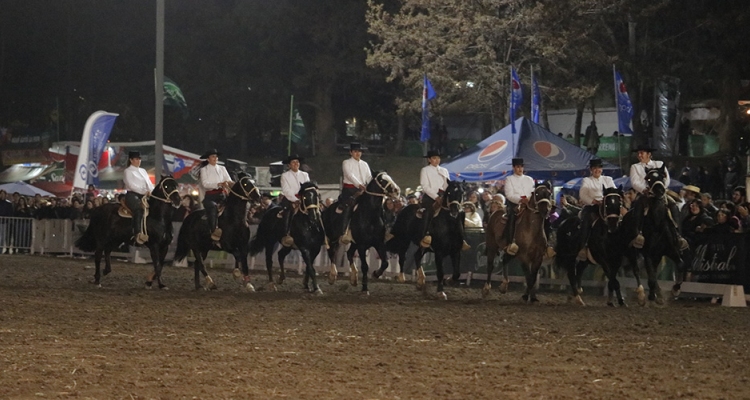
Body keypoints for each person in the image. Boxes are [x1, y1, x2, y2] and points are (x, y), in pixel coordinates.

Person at [629, 143, 688, 250]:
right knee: (637, 206)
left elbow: (667, 178)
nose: (639, 155)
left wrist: (660, 188)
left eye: (642, 153)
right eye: (638, 153)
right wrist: (645, 189)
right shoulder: (635, 167)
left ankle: (679, 235)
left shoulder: (659, 164)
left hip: (660, 192)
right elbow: (634, 182)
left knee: (673, 205)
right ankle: (638, 234)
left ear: (649, 154)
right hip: (645, 193)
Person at [419, 150, 470, 250]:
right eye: (434, 158)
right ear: (429, 160)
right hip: (430, 197)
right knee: (429, 212)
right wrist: (435, 197)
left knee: (459, 213)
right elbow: (425, 186)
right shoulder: (425, 170)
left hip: (444, 196)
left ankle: (462, 238)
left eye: (438, 158)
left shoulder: (444, 170)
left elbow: (447, 185)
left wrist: (447, 195)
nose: (436, 160)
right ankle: (426, 235)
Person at [577, 158, 616, 260]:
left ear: (602, 169)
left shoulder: (608, 179)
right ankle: (583, 246)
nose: (597, 170)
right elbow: (583, 194)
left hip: (607, 206)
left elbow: (614, 192)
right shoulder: (587, 180)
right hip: (592, 206)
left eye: (599, 168)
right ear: (591, 170)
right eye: (594, 168)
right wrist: (594, 201)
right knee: (586, 220)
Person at [338, 142, 372, 244]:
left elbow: (369, 176)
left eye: (359, 151)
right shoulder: (346, 162)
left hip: (364, 189)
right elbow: (349, 175)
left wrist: (369, 185)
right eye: (355, 151)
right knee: (349, 207)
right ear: (351, 152)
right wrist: (359, 185)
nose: (358, 153)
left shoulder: (365, 164)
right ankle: (344, 231)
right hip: (350, 190)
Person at [198, 149, 233, 241]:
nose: (215, 158)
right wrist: (219, 184)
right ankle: (214, 231)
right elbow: (205, 184)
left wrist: (230, 184)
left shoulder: (222, 169)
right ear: (208, 159)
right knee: (212, 208)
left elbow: (228, 180)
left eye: (216, 156)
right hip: (211, 196)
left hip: (223, 195)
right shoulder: (204, 170)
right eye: (213, 156)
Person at [503, 158, 536, 255]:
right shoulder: (509, 179)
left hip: (529, 204)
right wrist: (521, 200)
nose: (520, 169)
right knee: (512, 218)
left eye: (521, 166)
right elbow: (509, 194)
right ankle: (511, 242)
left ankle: (546, 243)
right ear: (513, 168)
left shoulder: (529, 179)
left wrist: (529, 199)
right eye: (517, 167)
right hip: (515, 204)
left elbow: (532, 192)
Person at [123, 151, 154, 244]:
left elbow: (149, 183)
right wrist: (144, 191)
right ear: (131, 160)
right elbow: (131, 185)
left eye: (139, 159)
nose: (138, 161)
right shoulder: (127, 171)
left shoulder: (143, 171)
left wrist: (152, 191)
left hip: (145, 195)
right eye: (136, 159)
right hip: (132, 195)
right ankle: (137, 234)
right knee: (139, 209)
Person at [279, 154, 310, 247]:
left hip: (303, 198)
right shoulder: (284, 176)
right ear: (289, 165)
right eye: (293, 162)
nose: (296, 164)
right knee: (287, 212)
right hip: (290, 198)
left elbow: (308, 187)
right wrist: (295, 200)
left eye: (297, 162)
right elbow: (286, 190)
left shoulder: (305, 175)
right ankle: (287, 234)